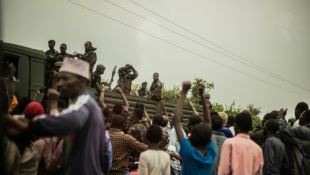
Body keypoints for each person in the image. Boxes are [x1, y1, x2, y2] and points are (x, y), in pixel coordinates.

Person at [5, 58, 111, 175]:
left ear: (81, 81)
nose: (60, 83)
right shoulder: (87, 106)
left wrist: (28, 126)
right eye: (60, 79)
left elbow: (69, 120)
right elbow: (105, 155)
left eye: (65, 79)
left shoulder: (85, 103)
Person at [174, 82, 216, 175]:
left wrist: (184, 92)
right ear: (208, 139)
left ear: (191, 138)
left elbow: (176, 121)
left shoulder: (188, 152)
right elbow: (208, 122)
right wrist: (202, 95)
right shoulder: (211, 153)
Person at [276, 108, 310, 174]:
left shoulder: (303, 131)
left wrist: (280, 116)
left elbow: (283, 129)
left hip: (300, 169)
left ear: (303, 118)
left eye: (301, 116)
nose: (299, 117)